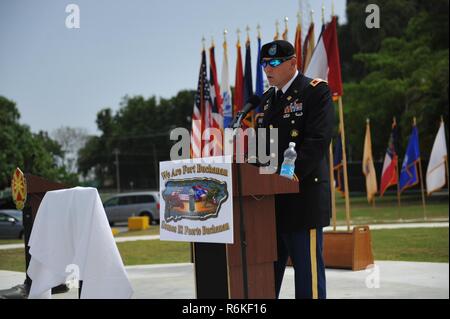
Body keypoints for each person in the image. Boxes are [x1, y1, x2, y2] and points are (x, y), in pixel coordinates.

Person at [256, 40, 334, 299]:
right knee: (266, 275)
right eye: (265, 63)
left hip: (303, 197)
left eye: (274, 63)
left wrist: (289, 175)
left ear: (293, 63)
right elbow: (262, 151)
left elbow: (318, 140)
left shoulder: (315, 91)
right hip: (271, 203)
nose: (268, 69)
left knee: (307, 276)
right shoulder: (267, 100)